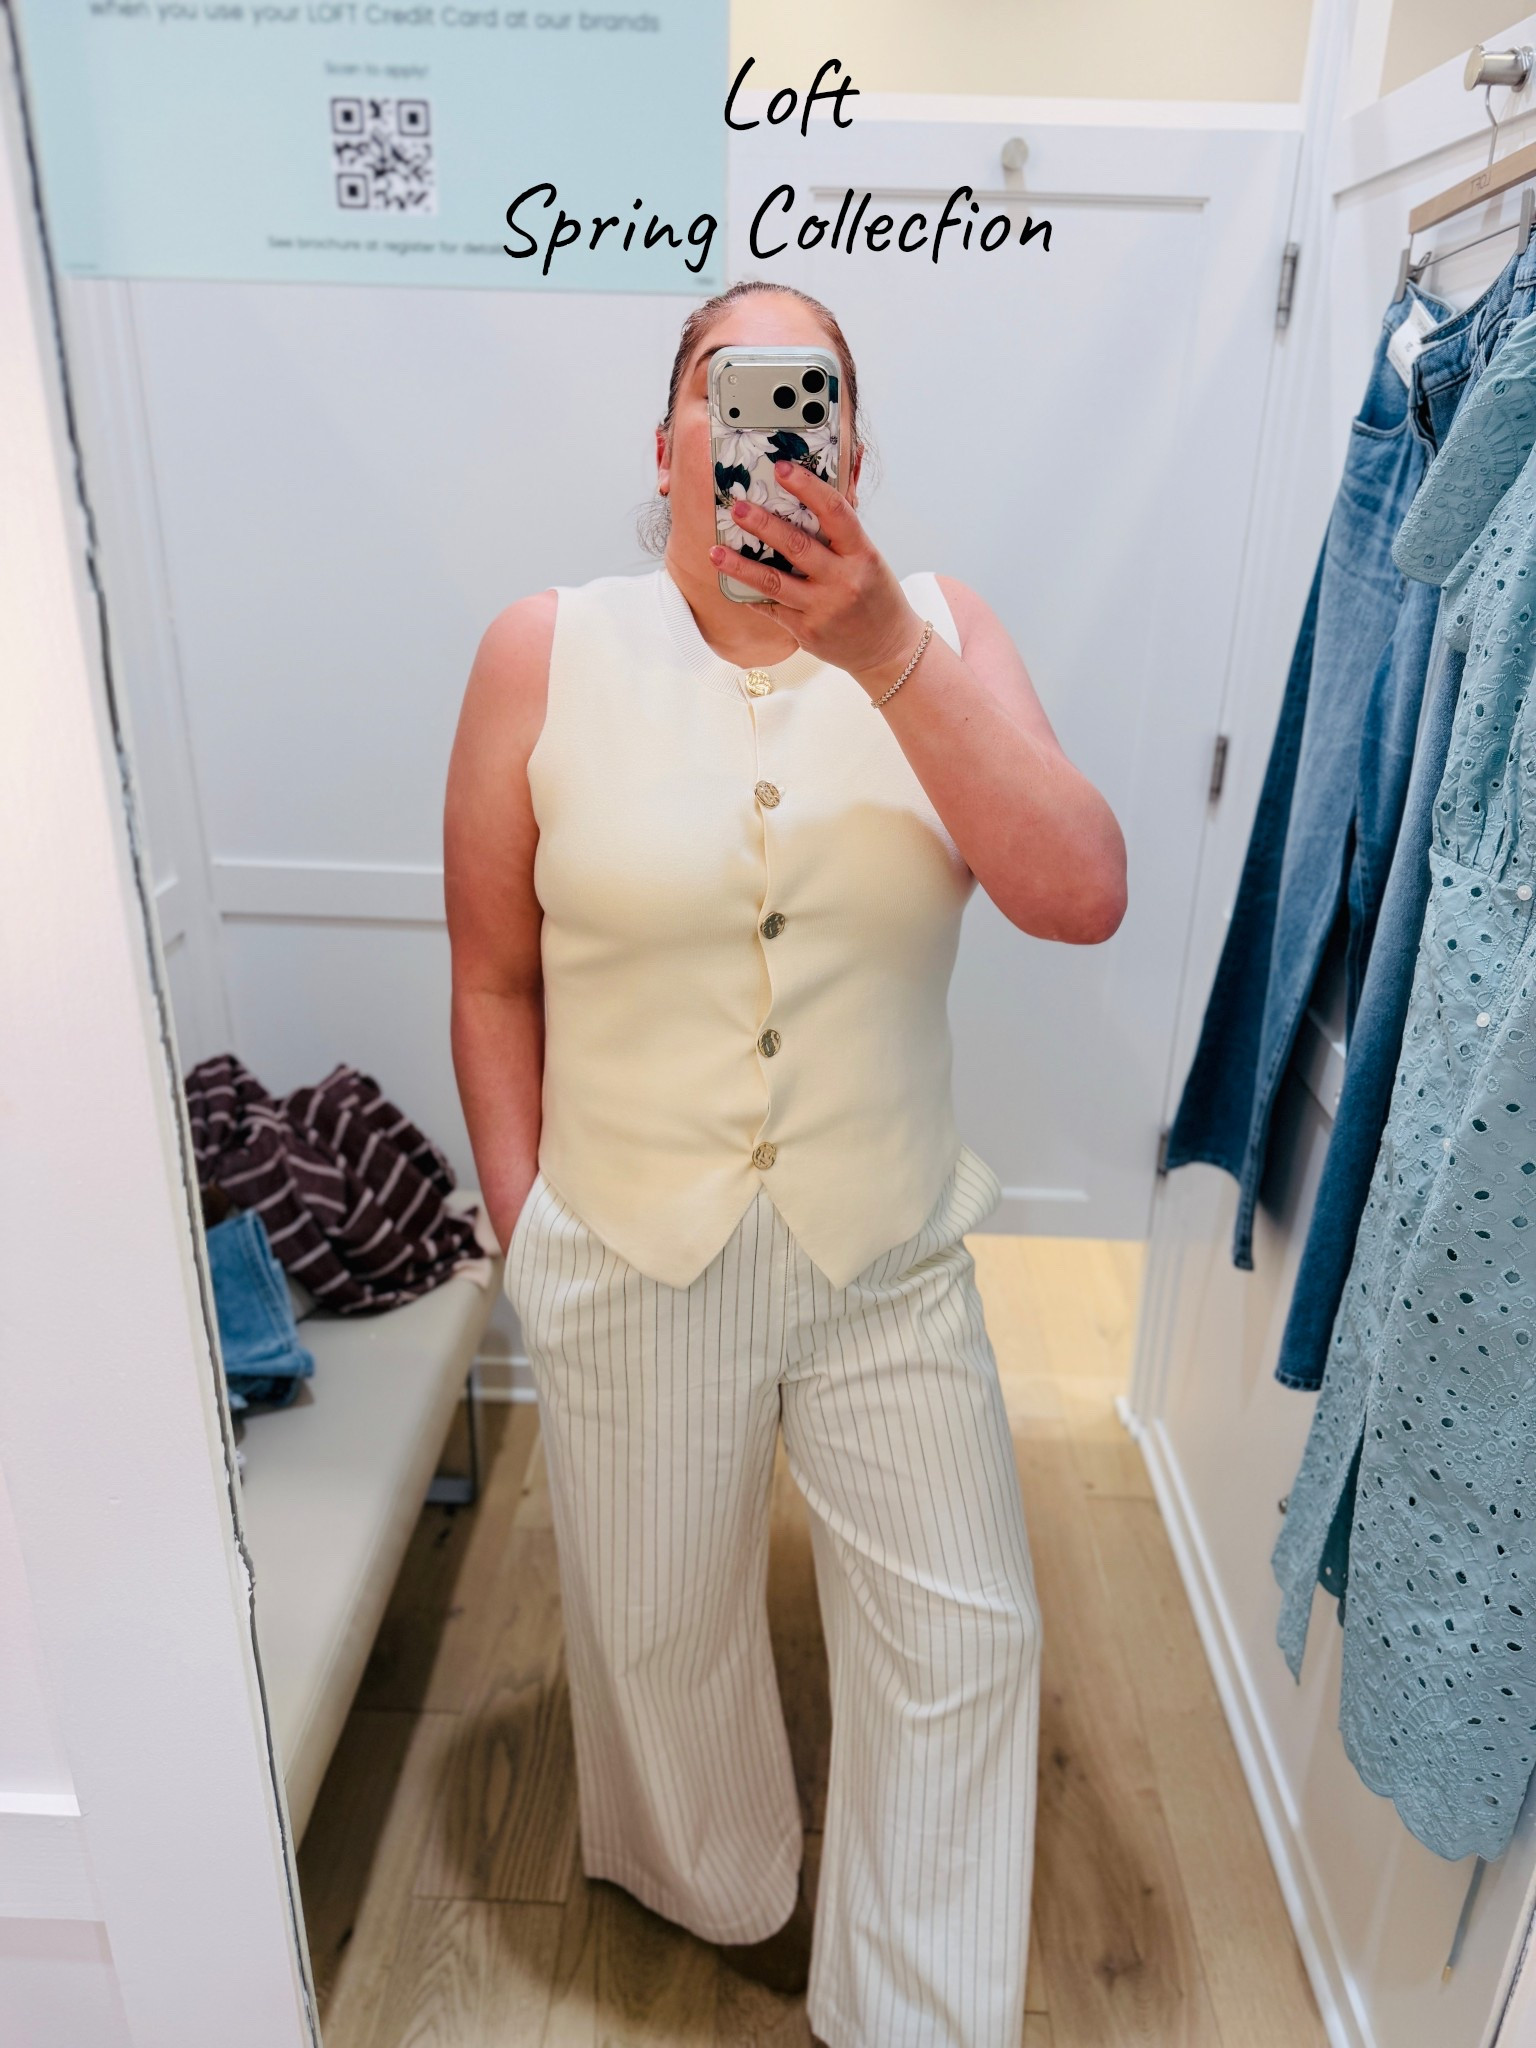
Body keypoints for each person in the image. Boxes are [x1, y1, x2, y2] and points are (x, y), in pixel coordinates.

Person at [443, 278, 1126, 2048]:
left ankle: (917, 2010)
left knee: (969, 1639)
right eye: (728, 387)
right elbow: (494, 974)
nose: (763, 423)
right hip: (626, 1250)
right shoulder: (544, 650)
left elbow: (1080, 892)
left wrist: (884, 645)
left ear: (853, 451)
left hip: (883, 1250)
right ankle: (713, 1883)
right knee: (659, 1632)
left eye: (807, 393)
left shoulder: (943, 634)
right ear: (669, 439)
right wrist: (528, 1231)